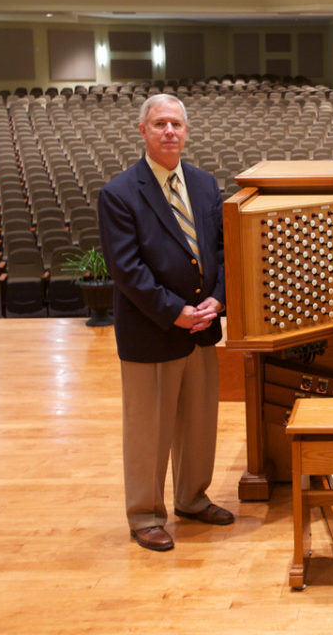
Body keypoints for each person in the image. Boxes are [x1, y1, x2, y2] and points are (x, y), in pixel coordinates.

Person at [97, 93, 234, 552]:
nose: (169, 131)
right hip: (152, 330)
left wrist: (218, 299)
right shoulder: (119, 193)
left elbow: (217, 249)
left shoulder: (203, 183)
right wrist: (175, 311)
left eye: (176, 123)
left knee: (198, 425)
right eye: (160, 124)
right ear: (143, 131)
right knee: (148, 433)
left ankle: (192, 498)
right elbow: (126, 269)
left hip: (202, 326)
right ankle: (145, 515)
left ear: (186, 130)